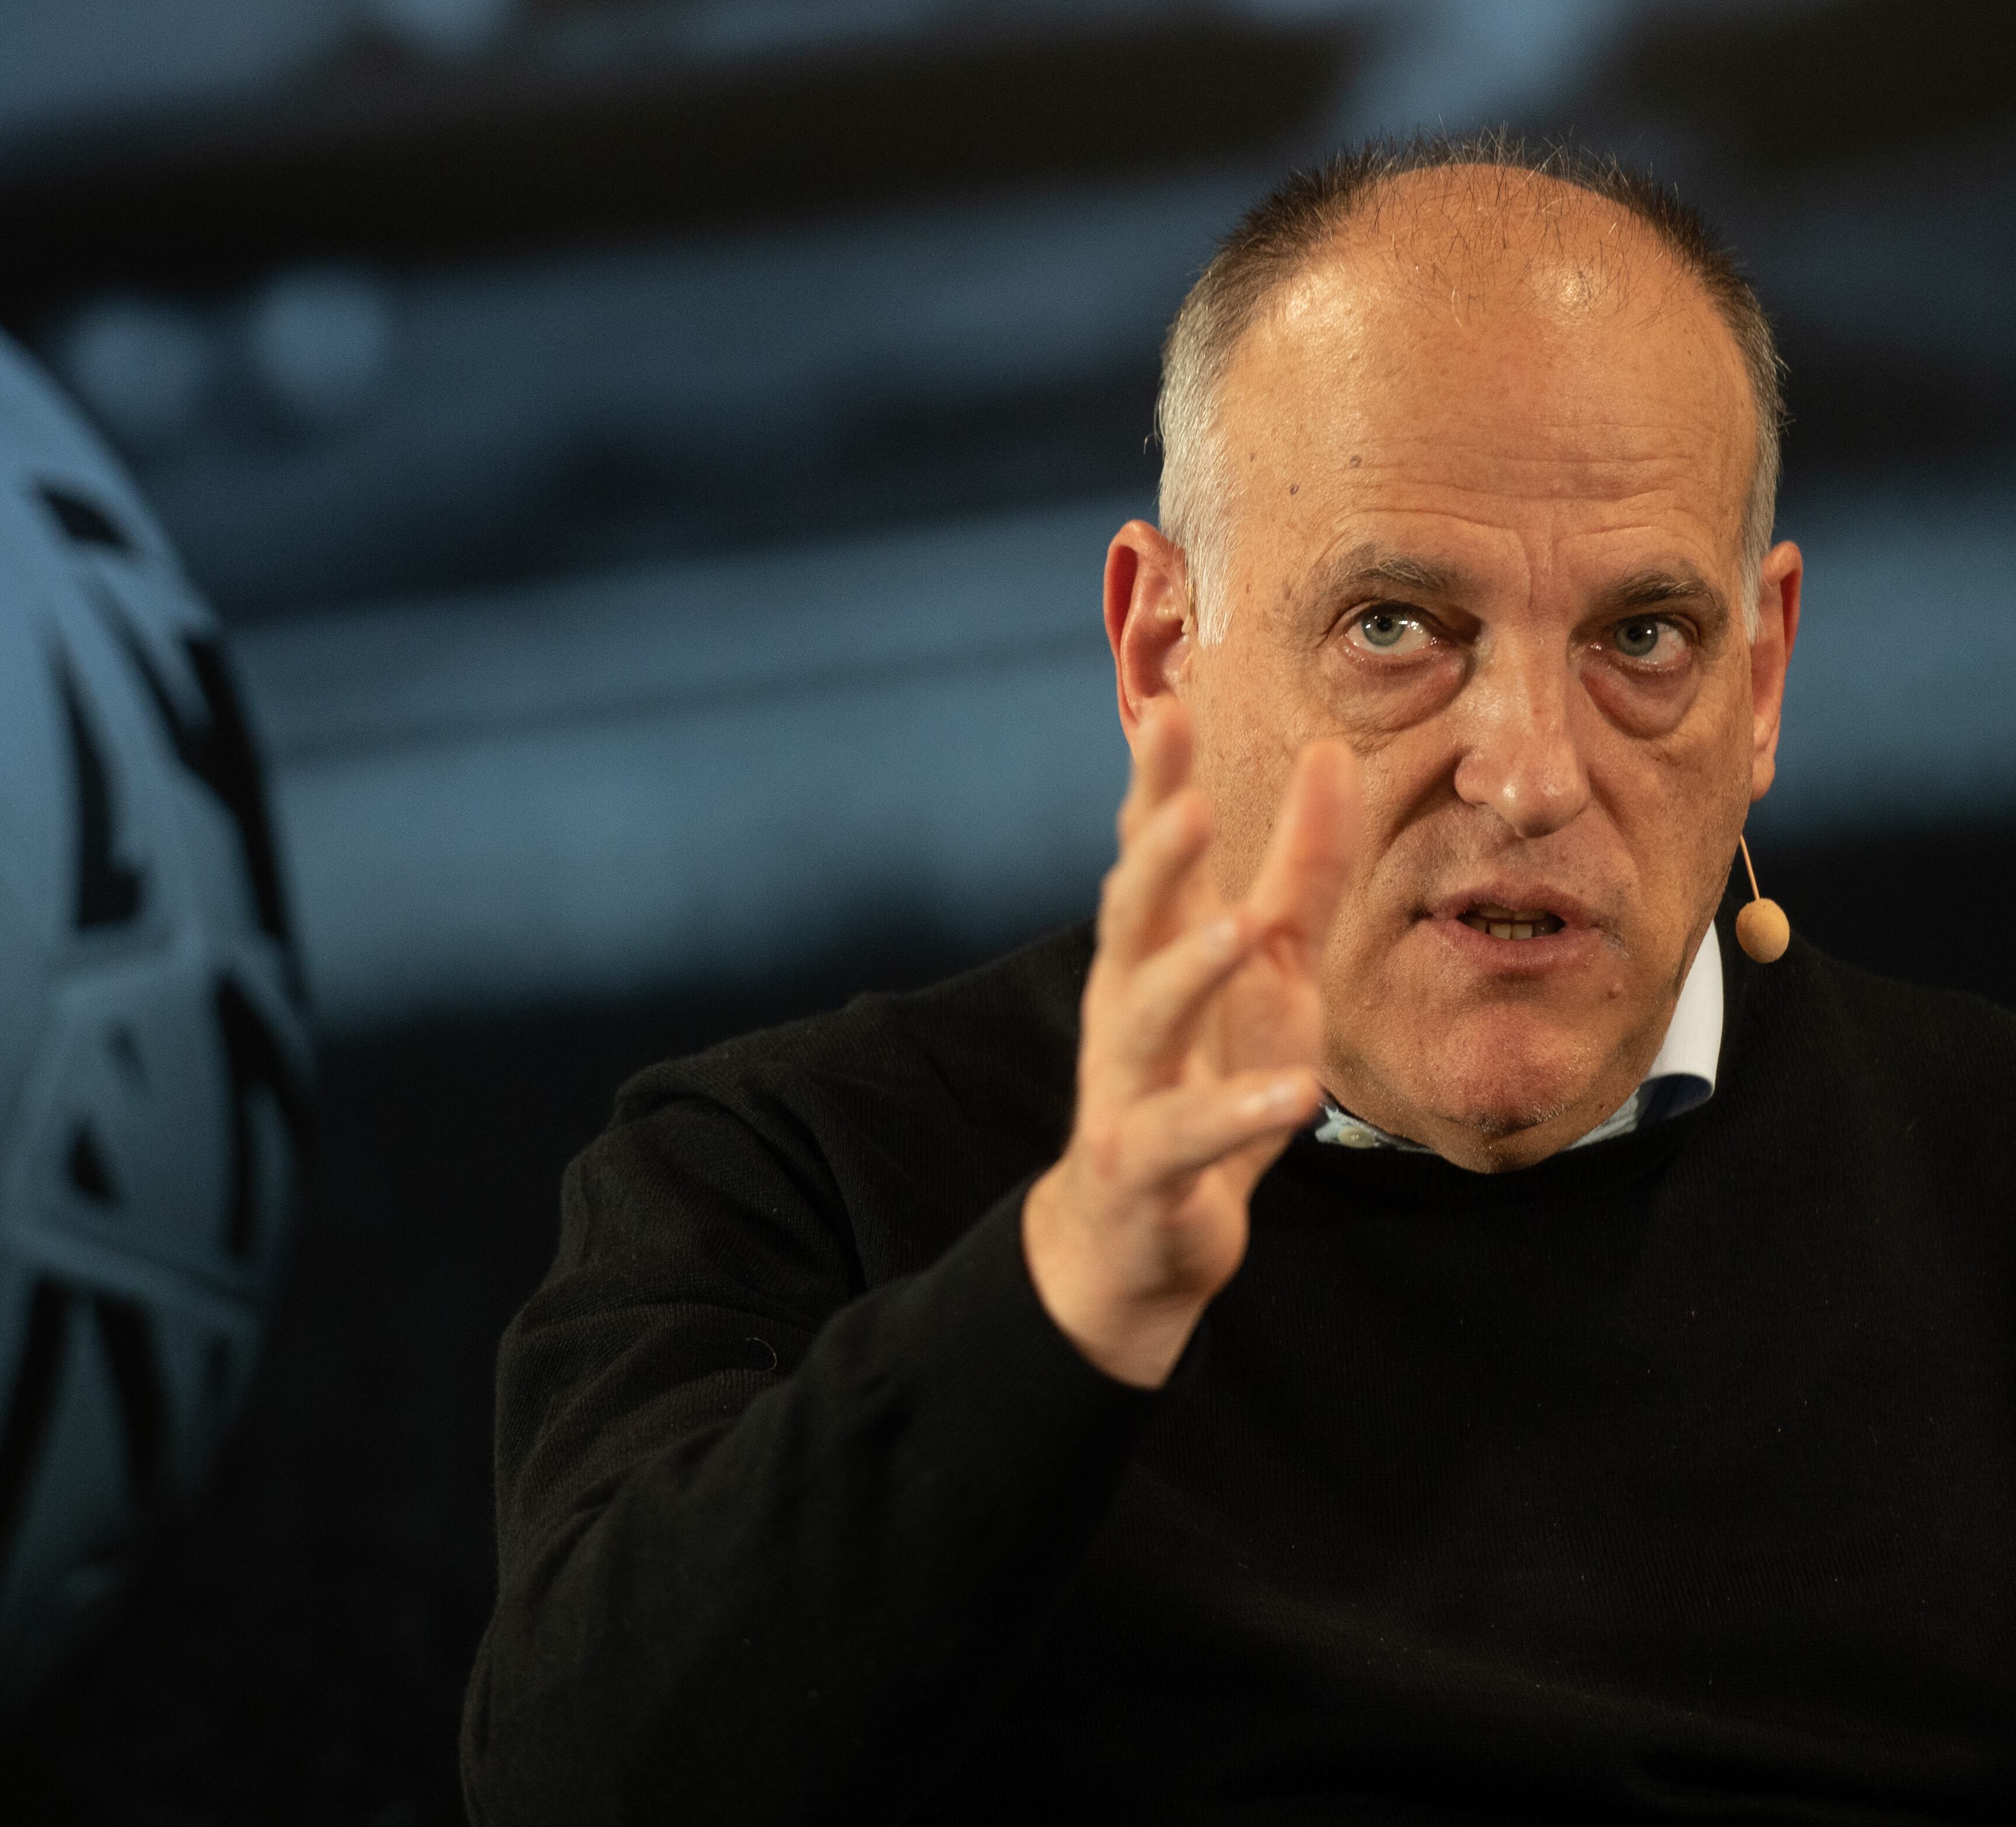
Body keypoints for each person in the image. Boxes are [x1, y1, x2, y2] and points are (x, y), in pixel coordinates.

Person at [460, 137, 2016, 1823]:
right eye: (1399, 625)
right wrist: (1077, 1287)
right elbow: (574, 1784)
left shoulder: (1986, 1167)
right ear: (1162, 660)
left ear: (1766, 675)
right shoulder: (789, 1173)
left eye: (1643, 639)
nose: (1530, 773)